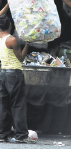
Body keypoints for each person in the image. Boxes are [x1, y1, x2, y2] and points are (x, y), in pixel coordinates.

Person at [0, 14, 31, 142]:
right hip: (15, 74)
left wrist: (7, 5)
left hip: (3, 74)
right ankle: (21, 135)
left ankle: (2, 135)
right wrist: (27, 44)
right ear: (10, 25)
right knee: (18, 105)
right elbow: (21, 58)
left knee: (4, 105)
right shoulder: (11, 40)